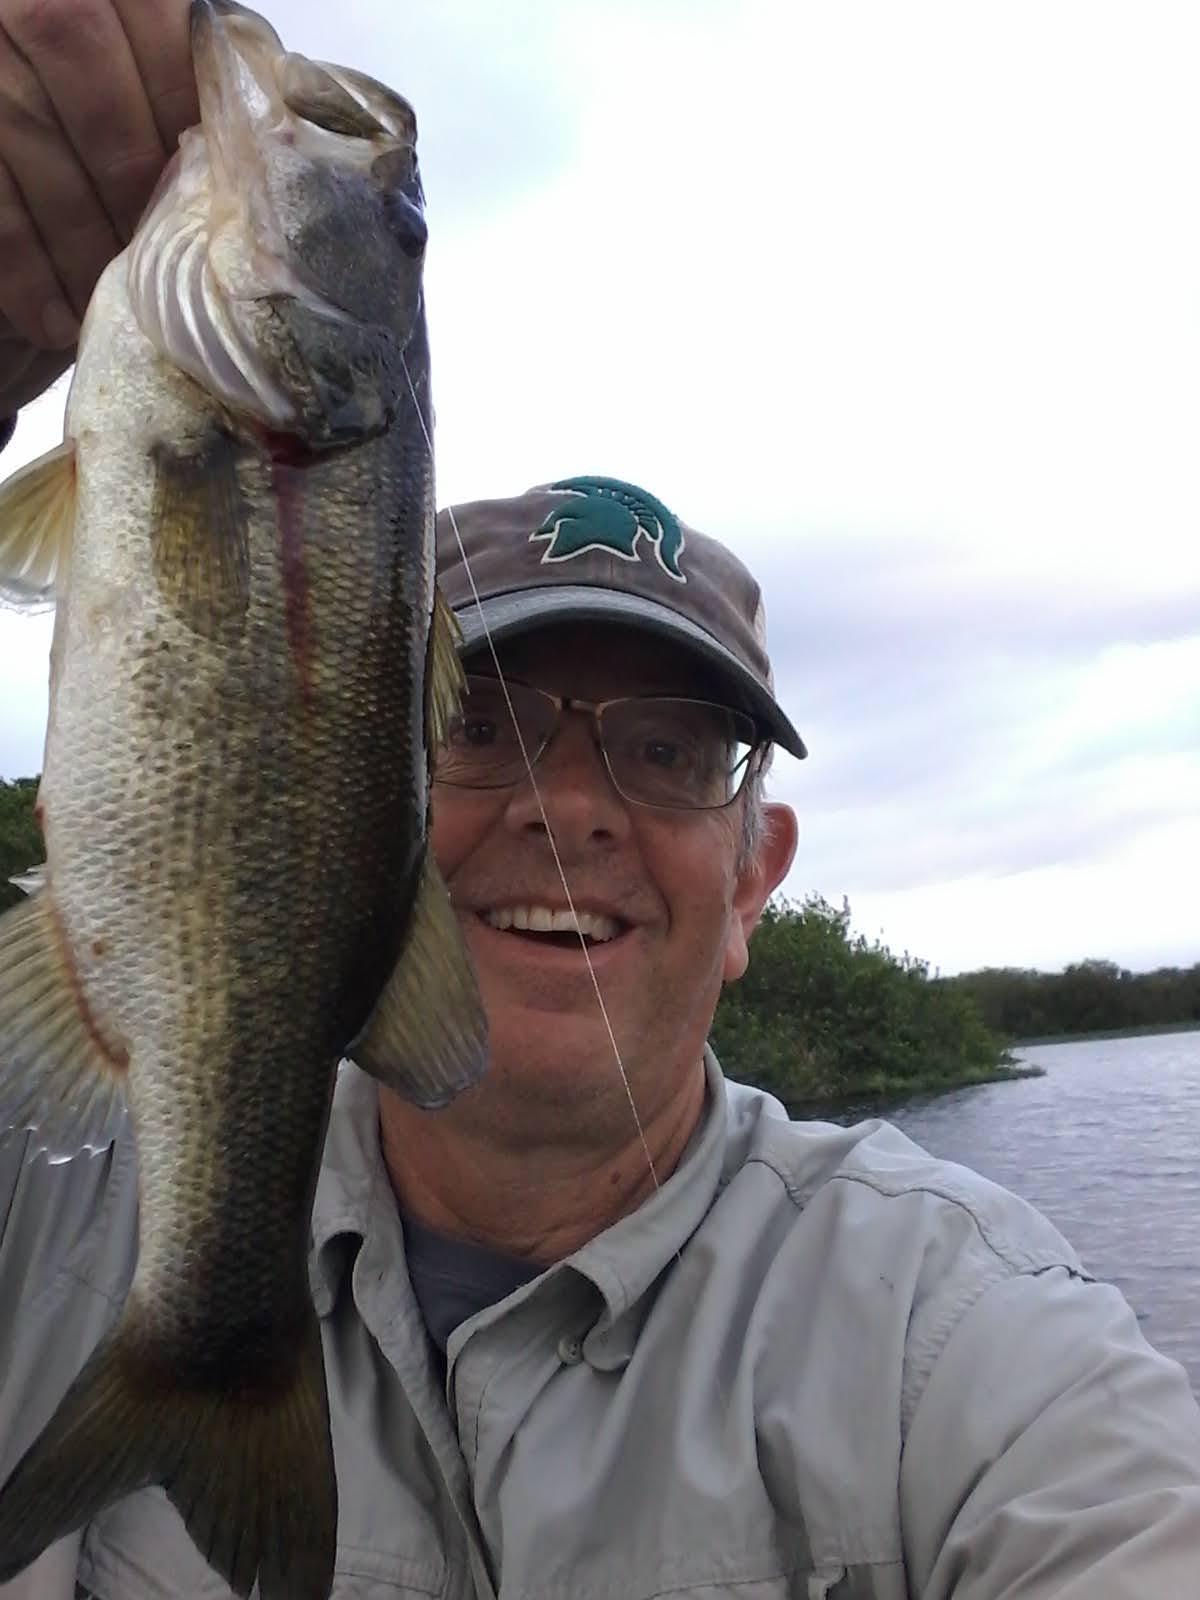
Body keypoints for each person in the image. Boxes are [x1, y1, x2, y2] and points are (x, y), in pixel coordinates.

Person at [3, 6, 1200, 1599]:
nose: (569, 809)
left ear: (756, 876)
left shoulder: (968, 1341)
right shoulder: (44, 1206)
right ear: (373, 789)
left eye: (670, 751)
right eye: (483, 726)